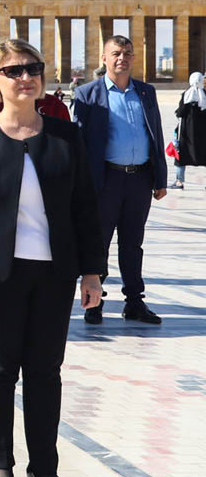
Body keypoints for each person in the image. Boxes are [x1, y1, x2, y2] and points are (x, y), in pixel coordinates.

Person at [0, 39, 104, 477]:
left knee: (44, 371)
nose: (26, 77)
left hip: (53, 273)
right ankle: (1, 467)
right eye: (14, 71)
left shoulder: (65, 136)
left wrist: (92, 271)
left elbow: (85, 209)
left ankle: (45, 471)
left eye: (33, 68)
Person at [72, 35, 166, 325]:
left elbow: (156, 135)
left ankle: (135, 301)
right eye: (115, 53)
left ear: (133, 58)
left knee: (132, 243)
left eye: (127, 53)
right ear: (104, 58)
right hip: (106, 180)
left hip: (139, 178)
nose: (121, 58)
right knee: (98, 242)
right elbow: (80, 140)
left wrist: (160, 177)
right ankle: (94, 303)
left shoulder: (146, 92)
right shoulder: (88, 94)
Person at [172, 72, 206, 188]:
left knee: (181, 157)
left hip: (187, 134)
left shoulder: (186, 95)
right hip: (203, 134)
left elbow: (181, 112)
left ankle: (179, 182)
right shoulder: (205, 95)